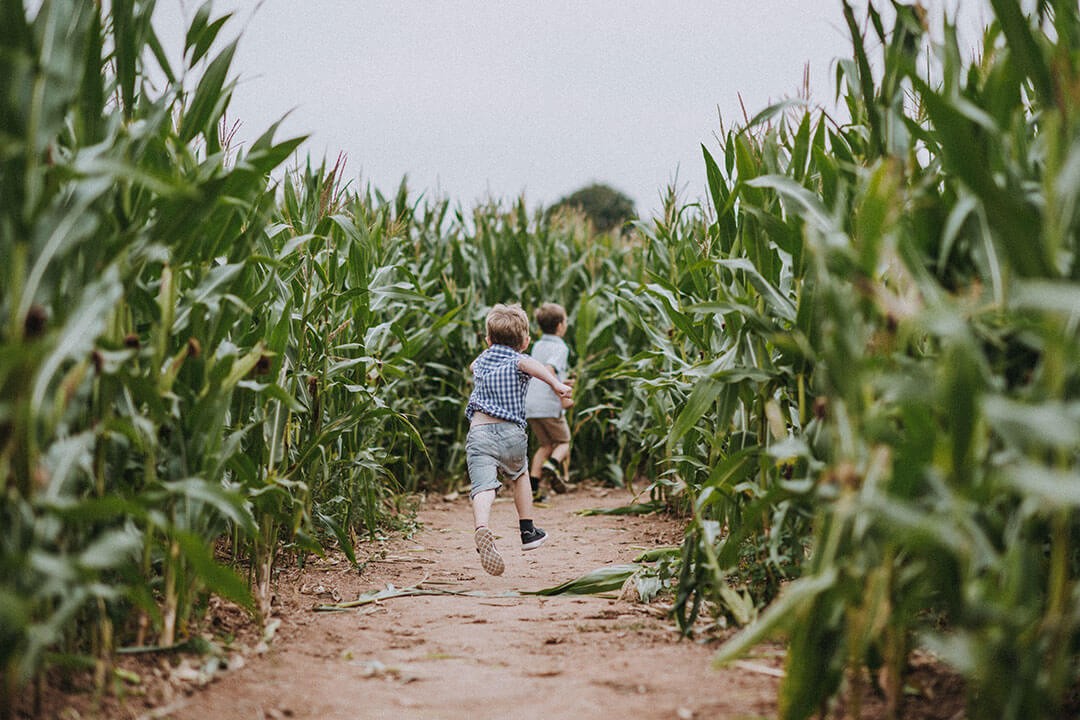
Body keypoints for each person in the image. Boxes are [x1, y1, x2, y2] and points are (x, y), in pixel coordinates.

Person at [465, 303, 573, 576]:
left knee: (483, 486)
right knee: (520, 475)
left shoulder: (482, 360)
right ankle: (528, 531)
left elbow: (473, 365)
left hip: (479, 432)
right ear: (525, 342)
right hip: (511, 432)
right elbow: (532, 366)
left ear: (488, 340)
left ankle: (482, 528)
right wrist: (557, 385)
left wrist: (489, 352)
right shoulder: (518, 360)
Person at [524, 303, 575, 501]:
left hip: (531, 405)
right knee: (564, 442)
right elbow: (550, 369)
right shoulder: (560, 348)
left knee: (545, 445)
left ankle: (535, 489)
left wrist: (562, 380)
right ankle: (551, 466)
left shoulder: (537, 345)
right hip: (548, 404)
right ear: (560, 326)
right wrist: (560, 390)